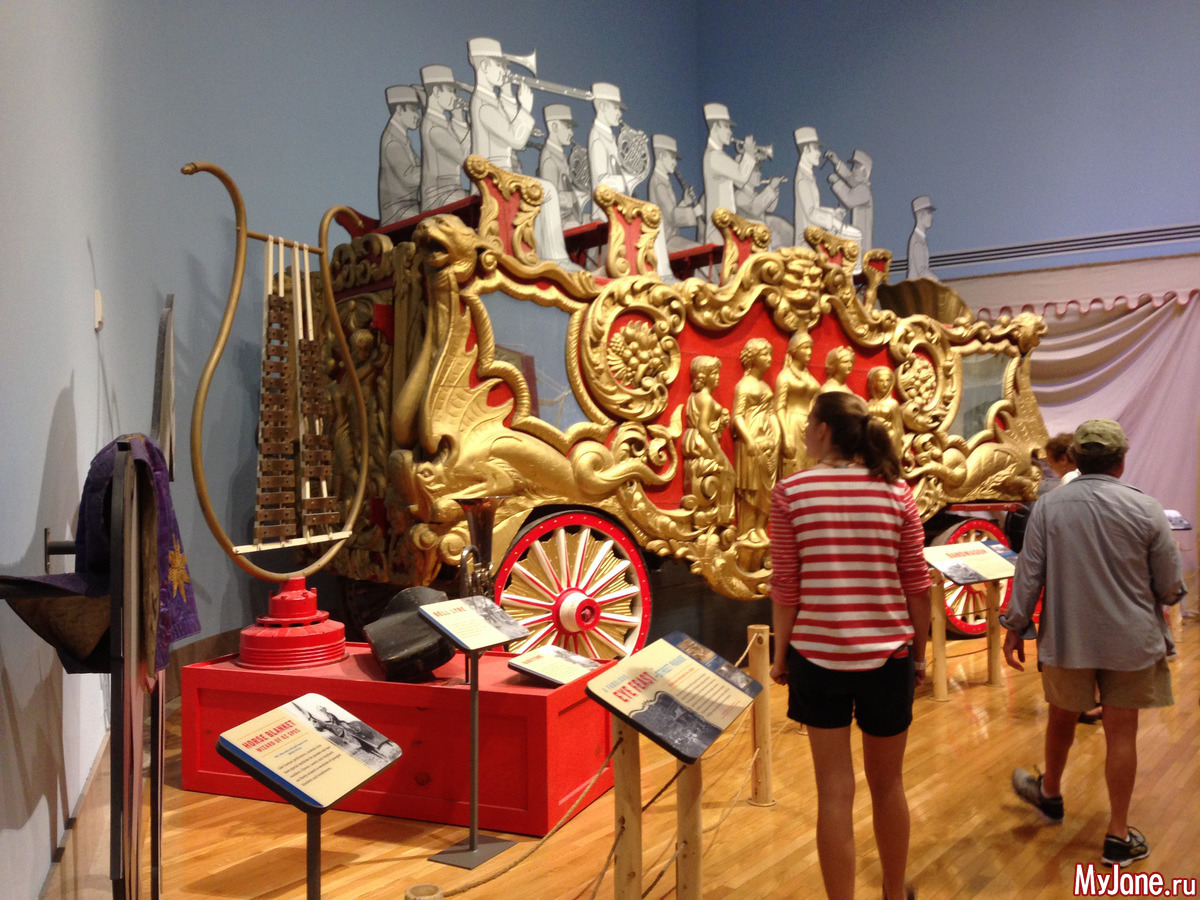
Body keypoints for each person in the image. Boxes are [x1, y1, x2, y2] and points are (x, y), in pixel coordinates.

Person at [769, 391, 931, 900]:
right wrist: (920, 656)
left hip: (817, 659)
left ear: (823, 430)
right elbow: (917, 585)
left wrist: (780, 655)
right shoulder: (897, 493)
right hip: (888, 659)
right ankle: (892, 893)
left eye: (807, 425)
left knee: (834, 794)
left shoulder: (792, 492)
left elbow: (786, 588)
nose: (802, 434)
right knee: (889, 786)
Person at [1002, 419, 1184, 868]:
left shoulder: (1049, 507)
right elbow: (1168, 585)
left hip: (1068, 638)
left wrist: (1015, 626)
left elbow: (1029, 573)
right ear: (1120, 462)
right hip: (1132, 642)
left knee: (1061, 717)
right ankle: (1118, 835)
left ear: (1077, 461)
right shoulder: (1146, 508)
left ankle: (1050, 794)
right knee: (1122, 734)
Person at [467, 37, 579, 270]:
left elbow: (510, 122)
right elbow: (516, 139)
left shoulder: (491, 100)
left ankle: (544, 254)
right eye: (499, 65)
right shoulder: (483, 103)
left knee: (543, 191)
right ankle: (554, 258)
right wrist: (526, 109)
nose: (504, 71)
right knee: (548, 191)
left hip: (502, 175)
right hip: (492, 179)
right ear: (484, 66)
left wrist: (508, 92)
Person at [731, 337, 779, 536]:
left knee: (768, 487)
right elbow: (737, 416)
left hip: (769, 441)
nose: (769, 358)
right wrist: (749, 440)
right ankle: (748, 529)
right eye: (764, 354)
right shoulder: (743, 386)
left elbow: (772, 413)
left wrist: (777, 437)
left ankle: (760, 526)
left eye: (770, 354)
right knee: (751, 487)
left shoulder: (767, 388)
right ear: (753, 358)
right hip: (751, 441)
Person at [793, 127, 862, 248]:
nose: (819, 153)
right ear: (806, 150)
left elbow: (814, 208)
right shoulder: (802, 179)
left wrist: (833, 212)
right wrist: (835, 223)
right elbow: (811, 213)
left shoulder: (807, 175)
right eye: (815, 149)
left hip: (813, 238)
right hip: (807, 243)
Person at [701, 103, 757, 244]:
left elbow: (739, 182)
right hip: (719, 229)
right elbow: (742, 176)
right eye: (726, 127)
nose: (730, 132)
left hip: (724, 226)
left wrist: (743, 159)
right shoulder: (714, 156)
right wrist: (749, 153)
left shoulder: (717, 155)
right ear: (715, 127)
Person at [418, 65, 470, 212]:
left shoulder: (441, 122)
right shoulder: (434, 127)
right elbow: (467, 159)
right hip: (440, 197)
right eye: (450, 90)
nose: (455, 97)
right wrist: (460, 119)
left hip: (450, 192)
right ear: (436, 91)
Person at [648, 134, 703, 252]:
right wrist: (695, 213)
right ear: (661, 156)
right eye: (672, 158)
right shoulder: (658, 184)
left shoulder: (663, 180)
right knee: (699, 251)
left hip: (671, 238)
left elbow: (669, 213)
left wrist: (685, 202)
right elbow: (672, 217)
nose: (675, 162)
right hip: (665, 241)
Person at [378, 85, 422, 225]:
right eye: (413, 110)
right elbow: (410, 178)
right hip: (397, 212)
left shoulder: (402, 138)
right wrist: (433, 169)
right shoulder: (393, 141)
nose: (417, 116)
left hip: (409, 207)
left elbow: (420, 165)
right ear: (399, 110)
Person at [538, 103, 586, 229]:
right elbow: (549, 197)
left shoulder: (559, 155)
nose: (571, 133)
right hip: (559, 223)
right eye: (568, 127)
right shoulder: (549, 158)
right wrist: (577, 195)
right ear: (554, 126)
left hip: (568, 217)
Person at [826, 149, 874, 251]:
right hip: (856, 241)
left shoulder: (864, 191)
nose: (853, 170)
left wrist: (836, 182)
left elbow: (849, 199)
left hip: (861, 245)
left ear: (864, 172)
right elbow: (850, 178)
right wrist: (836, 162)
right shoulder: (860, 186)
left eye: (856, 167)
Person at [906, 196, 937, 281]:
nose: (931, 217)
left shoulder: (921, 238)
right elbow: (922, 270)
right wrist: (937, 281)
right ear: (920, 215)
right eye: (929, 213)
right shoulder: (917, 241)